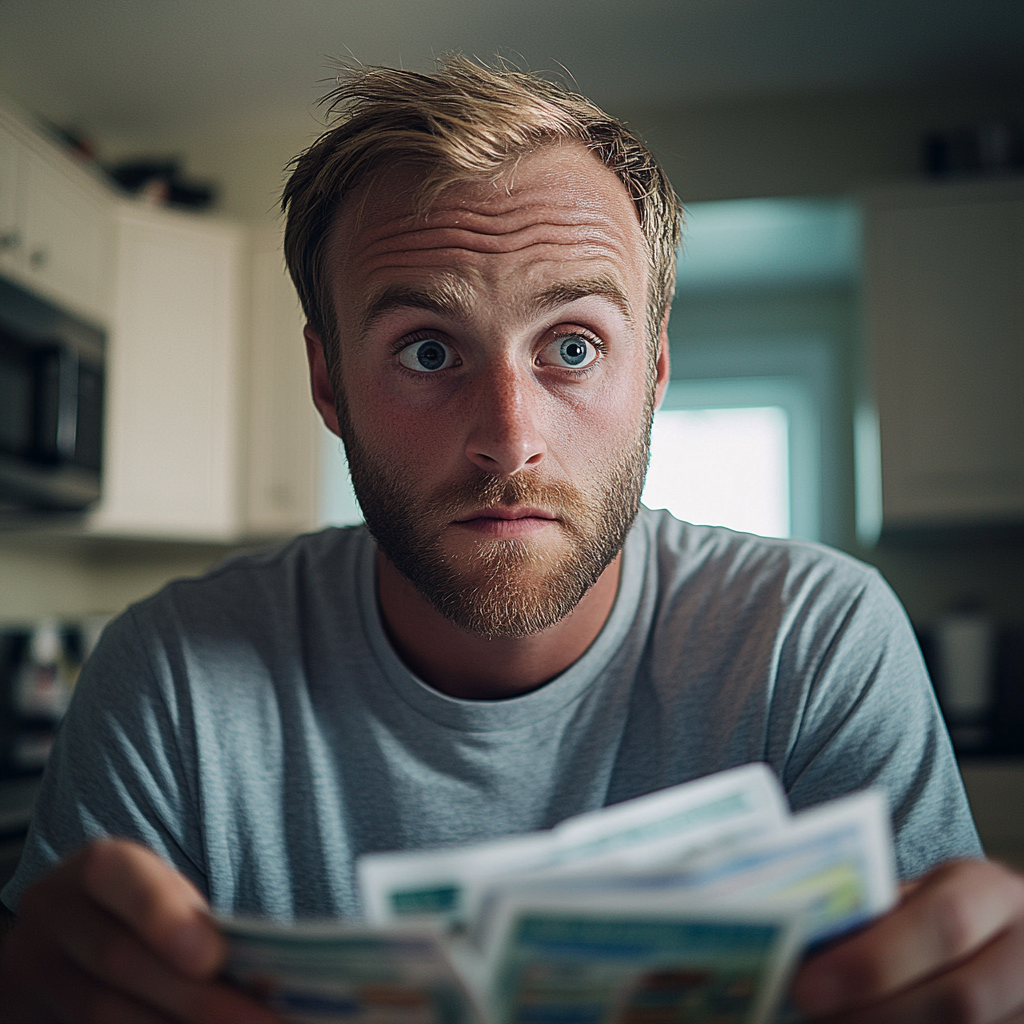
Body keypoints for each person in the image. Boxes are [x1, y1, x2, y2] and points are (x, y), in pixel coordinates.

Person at [1, 56, 1022, 1023]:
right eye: (428, 349)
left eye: (571, 346)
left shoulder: (815, 638)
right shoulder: (170, 675)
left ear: (654, 376)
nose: (508, 439)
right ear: (329, 384)